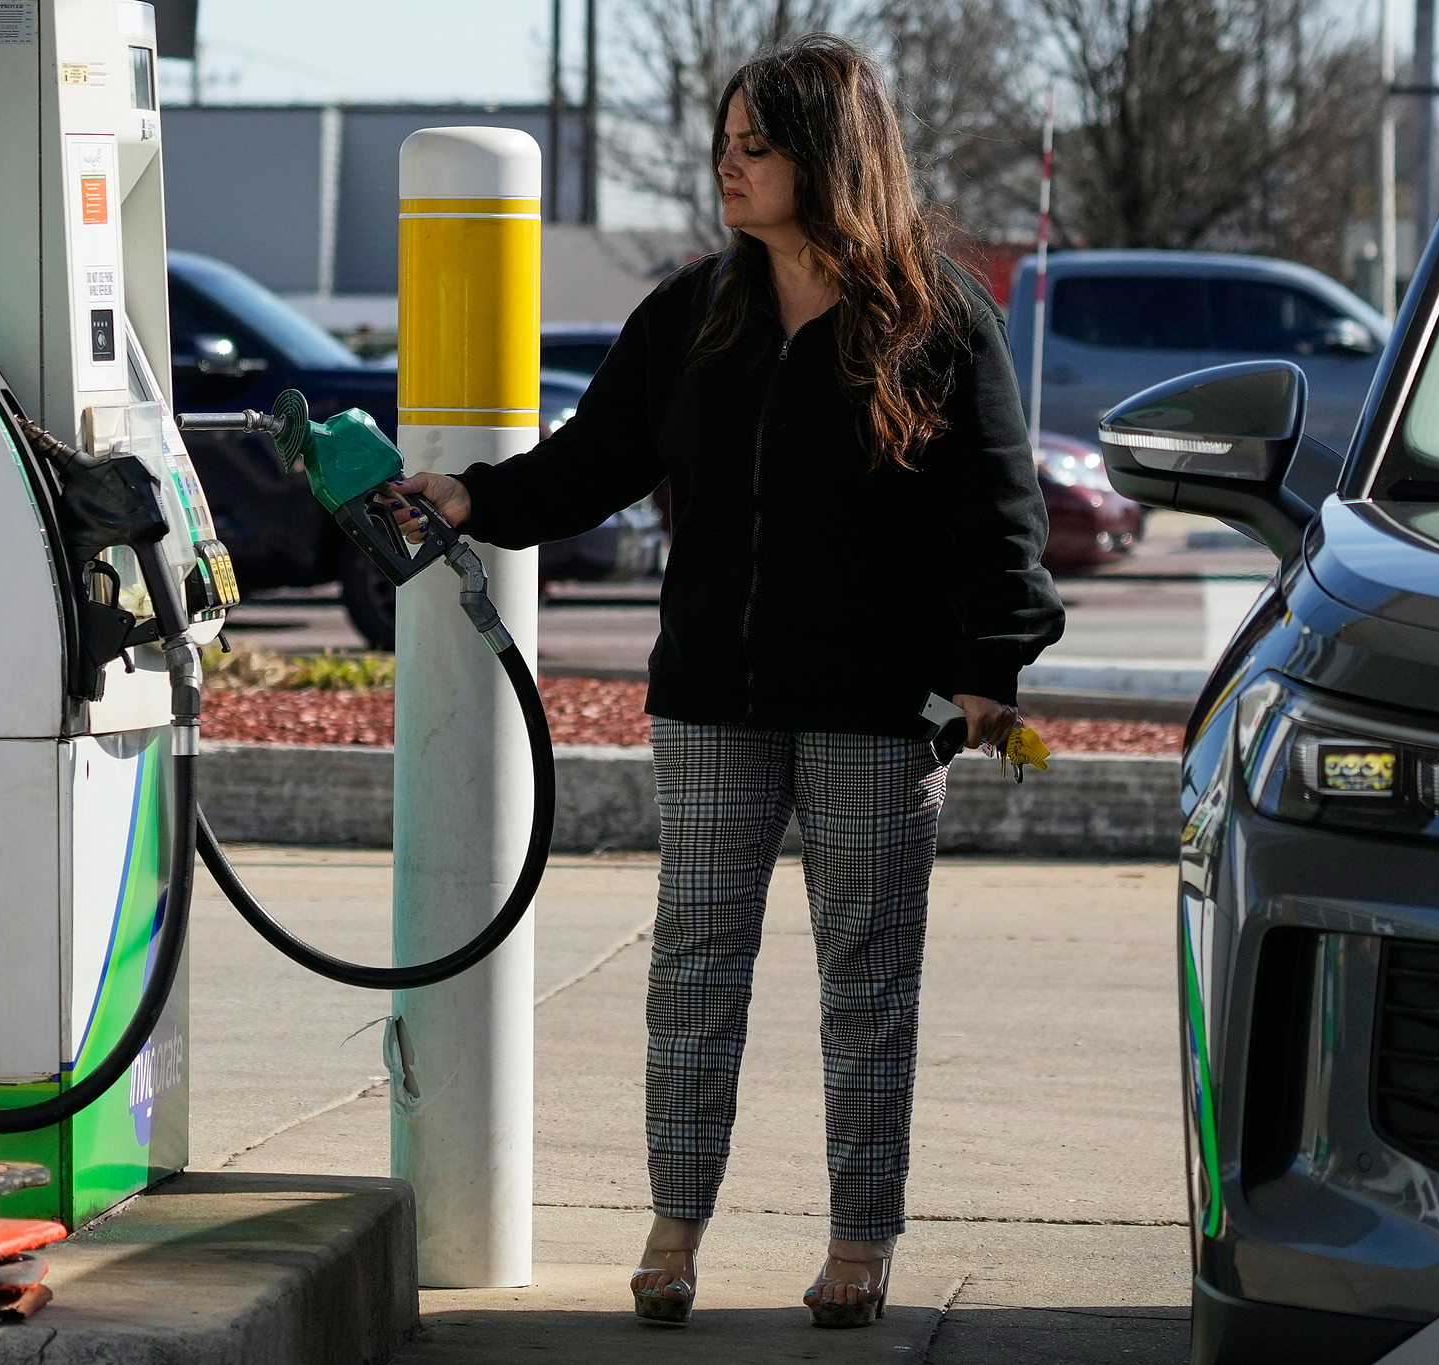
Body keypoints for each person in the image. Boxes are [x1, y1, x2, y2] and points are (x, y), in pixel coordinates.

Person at [384, 33, 1063, 1330]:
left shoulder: (937, 316)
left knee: (868, 978)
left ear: (828, 154)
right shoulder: (697, 311)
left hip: (879, 708)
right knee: (696, 966)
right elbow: (594, 457)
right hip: (711, 701)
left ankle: (860, 1243)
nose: (727, 167)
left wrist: (991, 668)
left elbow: (1000, 512)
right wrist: (474, 495)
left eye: (755, 145)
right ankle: (675, 1224)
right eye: (725, 143)